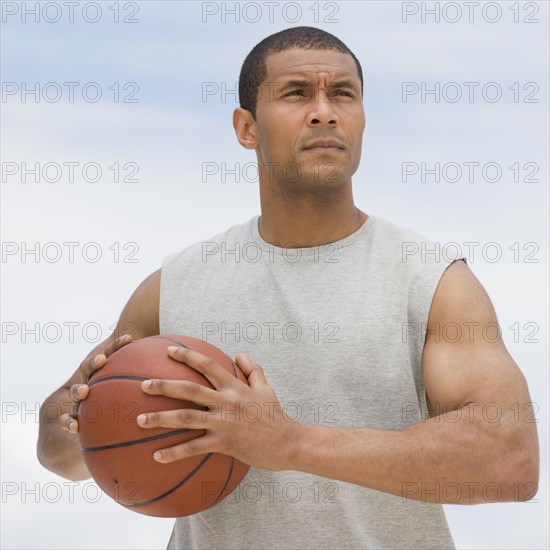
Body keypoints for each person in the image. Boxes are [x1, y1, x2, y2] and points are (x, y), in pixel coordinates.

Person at [37, 26, 539, 549]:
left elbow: (509, 459)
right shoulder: (174, 285)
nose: (324, 111)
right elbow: (56, 449)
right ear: (246, 128)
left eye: (342, 94)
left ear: (363, 117)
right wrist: (89, 419)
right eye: (296, 93)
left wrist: (291, 443)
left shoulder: (431, 280)